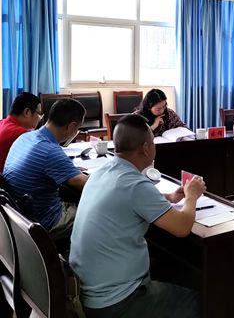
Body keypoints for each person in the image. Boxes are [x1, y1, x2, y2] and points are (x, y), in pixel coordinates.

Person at [69, 114, 205, 318]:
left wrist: (169, 197)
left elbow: (128, 199)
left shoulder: (102, 172)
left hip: (88, 290)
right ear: (146, 148)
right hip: (118, 302)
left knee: (171, 267)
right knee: (203, 301)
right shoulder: (135, 185)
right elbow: (182, 227)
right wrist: (192, 196)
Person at [3, 98, 87, 240]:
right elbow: (87, 185)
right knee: (95, 212)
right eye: (78, 128)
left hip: (19, 217)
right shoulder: (50, 150)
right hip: (46, 222)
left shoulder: (26, 137)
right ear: (72, 126)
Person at [0, 92, 43, 171]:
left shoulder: (2, 123)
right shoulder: (21, 134)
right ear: (27, 112)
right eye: (39, 113)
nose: (40, 118)